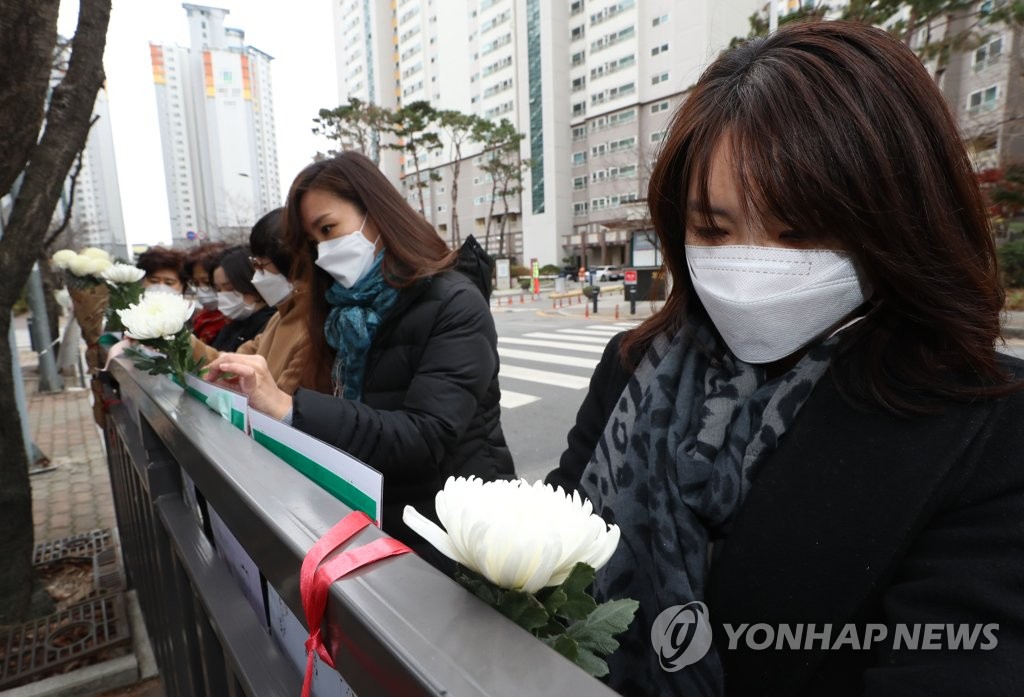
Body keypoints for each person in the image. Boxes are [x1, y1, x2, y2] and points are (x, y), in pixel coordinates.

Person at [545, 21, 1024, 696]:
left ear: (900, 222)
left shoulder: (985, 428)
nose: (751, 269)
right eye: (713, 228)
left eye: (800, 232)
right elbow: (545, 542)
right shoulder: (636, 365)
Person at [204, 152, 515, 563]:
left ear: (376, 213)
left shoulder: (454, 302)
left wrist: (287, 406)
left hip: (455, 532)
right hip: (378, 518)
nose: (324, 252)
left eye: (329, 228)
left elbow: (425, 437)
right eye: (313, 242)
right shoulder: (339, 311)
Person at [190, 209, 322, 394]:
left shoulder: (313, 327)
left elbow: (283, 402)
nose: (256, 277)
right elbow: (229, 362)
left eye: (261, 266)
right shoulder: (279, 317)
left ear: (293, 263)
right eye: (254, 265)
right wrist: (181, 340)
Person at [208, 246, 275, 352]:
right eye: (218, 290)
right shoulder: (232, 326)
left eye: (229, 287)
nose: (223, 295)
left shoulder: (272, 323)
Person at [184, 242, 229, 344]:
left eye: (207, 282)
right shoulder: (201, 318)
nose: (201, 289)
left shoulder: (236, 320)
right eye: (196, 283)